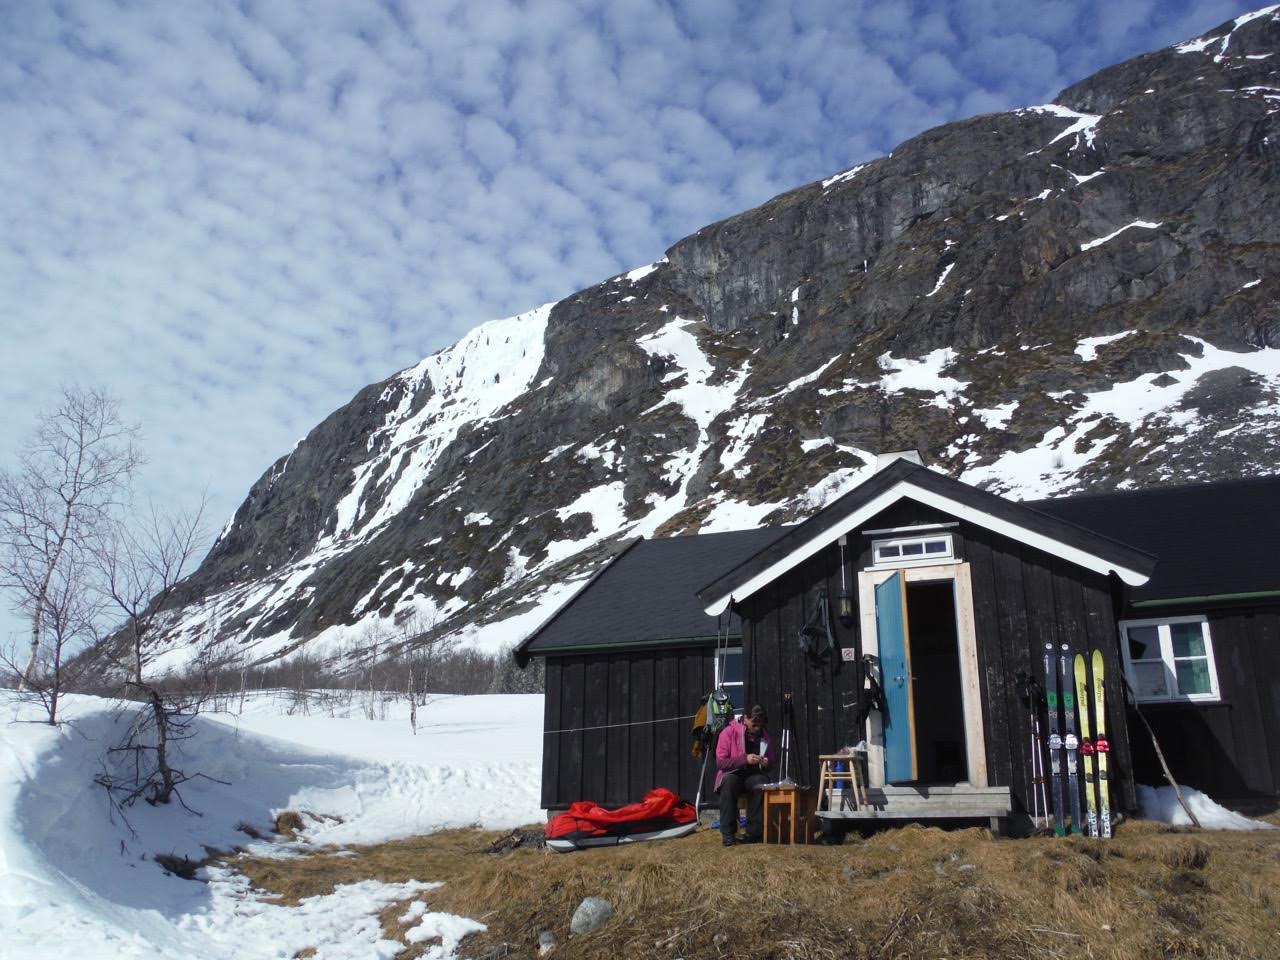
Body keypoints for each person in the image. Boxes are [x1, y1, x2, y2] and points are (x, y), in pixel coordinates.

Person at [715, 704, 777, 846]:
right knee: (728, 783)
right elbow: (721, 762)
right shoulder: (728, 732)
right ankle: (728, 833)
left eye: (759, 726)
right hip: (733, 773)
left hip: (754, 774)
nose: (757, 729)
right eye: (754, 725)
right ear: (745, 718)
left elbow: (771, 760)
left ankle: (754, 832)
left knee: (762, 783)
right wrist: (744, 759)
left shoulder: (764, 735)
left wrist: (767, 762)